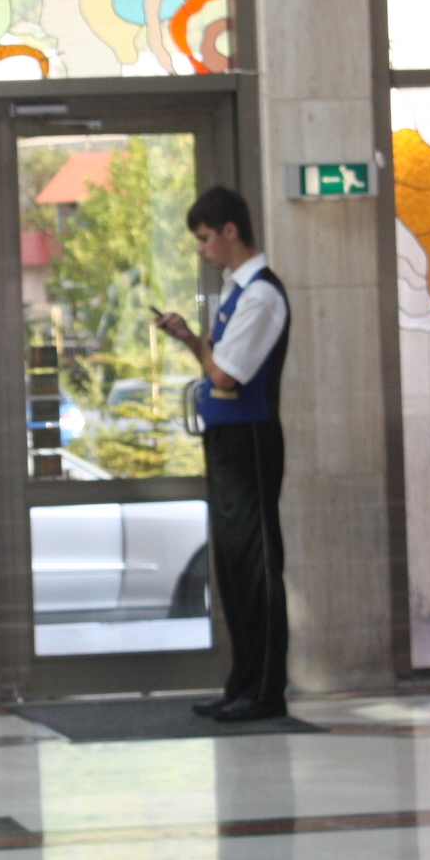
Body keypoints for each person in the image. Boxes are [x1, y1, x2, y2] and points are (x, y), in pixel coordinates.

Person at [157, 186, 291, 723]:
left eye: (205, 237)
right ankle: (242, 682)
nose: (202, 249)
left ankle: (266, 690)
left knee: (257, 565)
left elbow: (226, 375)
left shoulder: (261, 295)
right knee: (233, 567)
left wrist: (200, 348)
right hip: (227, 438)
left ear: (231, 231)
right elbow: (218, 367)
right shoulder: (237, 292)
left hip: (250, 439)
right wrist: (192, 339)